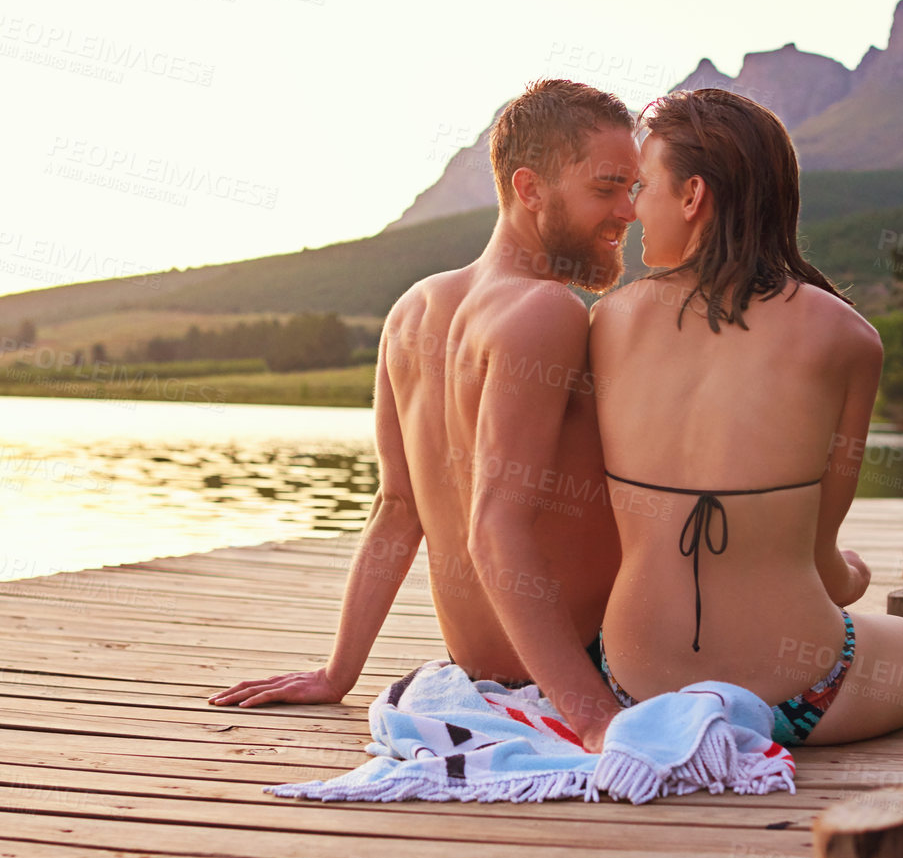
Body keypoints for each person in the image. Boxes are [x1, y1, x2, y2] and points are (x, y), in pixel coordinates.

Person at [587, 87, 903, 858]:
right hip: (792, 692)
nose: (633, 211)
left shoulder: (606, 322)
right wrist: (845, 575)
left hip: (631, 684)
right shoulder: (847, 338)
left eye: (646, 187)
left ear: (693, 195)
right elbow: (823, 562)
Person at [211, 79, 640, 752]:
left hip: (476, 673)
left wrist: (337, 672)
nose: (628, 211)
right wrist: (591, 718)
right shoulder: (544, 310)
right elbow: (493, 530)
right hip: (577, 671)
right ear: (529, 188)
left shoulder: (411, 309)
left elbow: (395, 506)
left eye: (633, 189)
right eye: (607, 188)